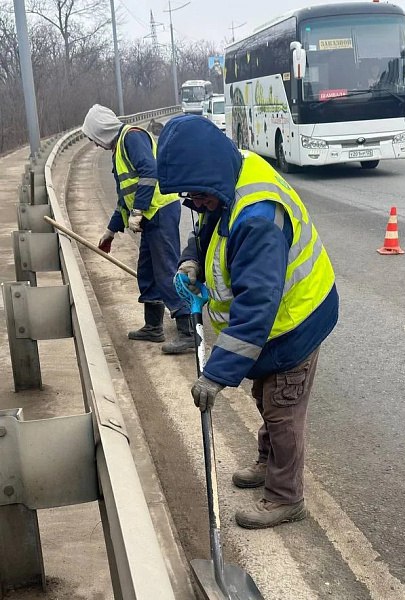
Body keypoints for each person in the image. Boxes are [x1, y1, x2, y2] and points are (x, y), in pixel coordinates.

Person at [156, 115, 339, 529]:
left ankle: (285, 496)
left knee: (283, 411)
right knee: (265, 397)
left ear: (211, 177)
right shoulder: (225, 179)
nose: (194, 203)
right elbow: (208, 228)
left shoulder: (256, 218)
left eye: (197, 195)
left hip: (295, 323)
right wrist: (191, 260)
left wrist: (215, 376)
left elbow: (257, 307)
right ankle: (267, 462)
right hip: (273, 328)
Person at [81, 104, 195, 354]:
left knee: (165, 270)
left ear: (101, 131)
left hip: (160, 211)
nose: (95, 144)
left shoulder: (131, 137)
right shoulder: (119, 147)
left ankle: (188, 332)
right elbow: (126, 194)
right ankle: (153, 327)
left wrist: (138, 211)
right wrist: (111, 230)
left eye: (93, 138)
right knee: (147, 272)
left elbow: (149, 172)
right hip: (149, 215)